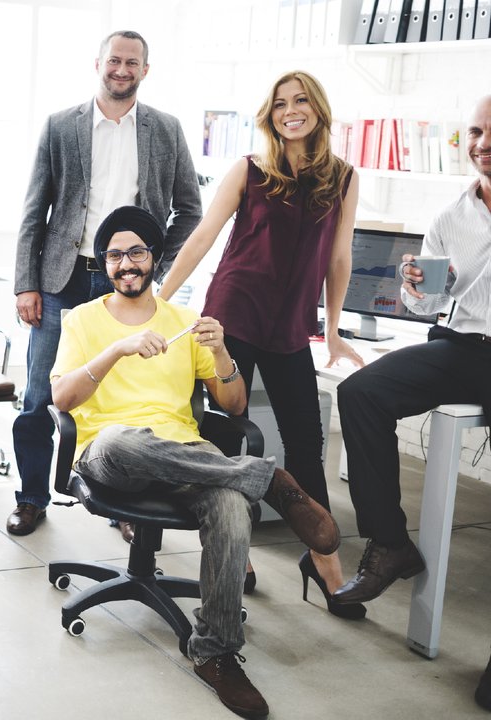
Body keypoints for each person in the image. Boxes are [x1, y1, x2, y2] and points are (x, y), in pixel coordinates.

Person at [52, 205, 337, 720]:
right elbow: (64, 401)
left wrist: (223, 353)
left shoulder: (185, 323)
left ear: (155, 257)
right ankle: (266, 478)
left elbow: (233, 407)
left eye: (136, 251)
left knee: (229, 504)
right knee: (120, 439)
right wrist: (117, 349)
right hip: (111, 452)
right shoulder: (82, 320)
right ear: (105, 264)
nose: (126, 264)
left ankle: (217, 652)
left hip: (188, 455)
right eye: (115, 255)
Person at [157, 71, 362, 617]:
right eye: (279, 104)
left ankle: (324, 561)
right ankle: (232, 546)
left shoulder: (342, 177)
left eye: (300, 101)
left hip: (292, 323)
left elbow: (339, 258)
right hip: (235, 313)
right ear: (269, 114)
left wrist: (335, 329)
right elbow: (203, 237)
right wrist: (161, 300)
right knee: (226, 430)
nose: (290, 111)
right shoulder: (249, 170)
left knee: (305, 440)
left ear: (317, 108)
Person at [8, 29, 202, 537]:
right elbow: (35, 209)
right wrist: (26, 283)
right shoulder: (59, 126)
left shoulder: (166, 128)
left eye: (132, 62)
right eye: (114, 60)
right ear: (97, 63)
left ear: (145, 70)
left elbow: (191, 210)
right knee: (40, 393)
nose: (122, 69)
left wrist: (155, 266)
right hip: (63, 277)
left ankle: (122, 503)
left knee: (122, 389)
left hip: (132, 279)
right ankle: (31, 496)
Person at [333, 95, 491, 710]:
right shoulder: (453, 214)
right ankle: (391, 541)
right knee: (362, 393)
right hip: (461, 346)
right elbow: (432, 307)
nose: (481, 143)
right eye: (476, 132)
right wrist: (415, 288)